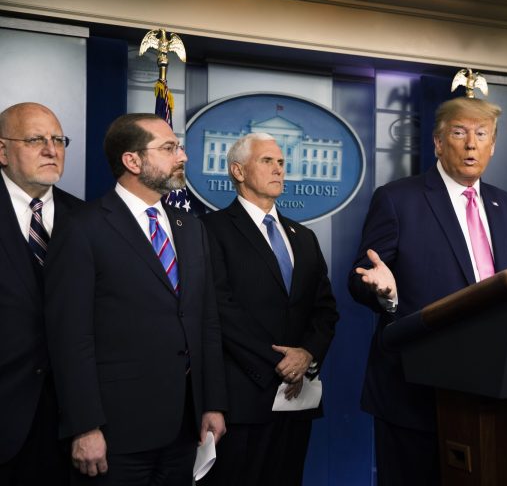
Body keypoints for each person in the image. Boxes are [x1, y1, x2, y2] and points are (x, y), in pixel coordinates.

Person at [348, 96, 507, 485]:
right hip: (415, 392)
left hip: (491, 388)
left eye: (481, 134)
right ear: (438, 142)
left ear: (493, 145)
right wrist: (385, 292)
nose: (471, 144)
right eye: (460, 133)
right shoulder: (399, 198)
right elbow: (361, 276)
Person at [44, 113, 227, 485]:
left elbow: (205, 321)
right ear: (132, 160)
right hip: (116, 433)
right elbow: (70, 337)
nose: (183, 156)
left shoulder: (191, 226)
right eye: (169, 148)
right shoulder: (83, 227)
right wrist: (84, 426)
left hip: (184, 427)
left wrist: (212, 403)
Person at [198, 133, 339, 486]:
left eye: (281, 162)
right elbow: (218, 307)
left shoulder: (303, 236)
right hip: (242, 399)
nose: (278, 169)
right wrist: (276, 360)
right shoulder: (209, 230)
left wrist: (307, 354)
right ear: (238, 171)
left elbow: (325, 310)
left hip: (297, 398)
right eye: (267, 161)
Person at [0, 102, 82, 485]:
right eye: (35, 140)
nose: (51, 150)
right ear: (2, 151)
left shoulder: (88, 220)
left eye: (58, 140)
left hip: (70, 427)